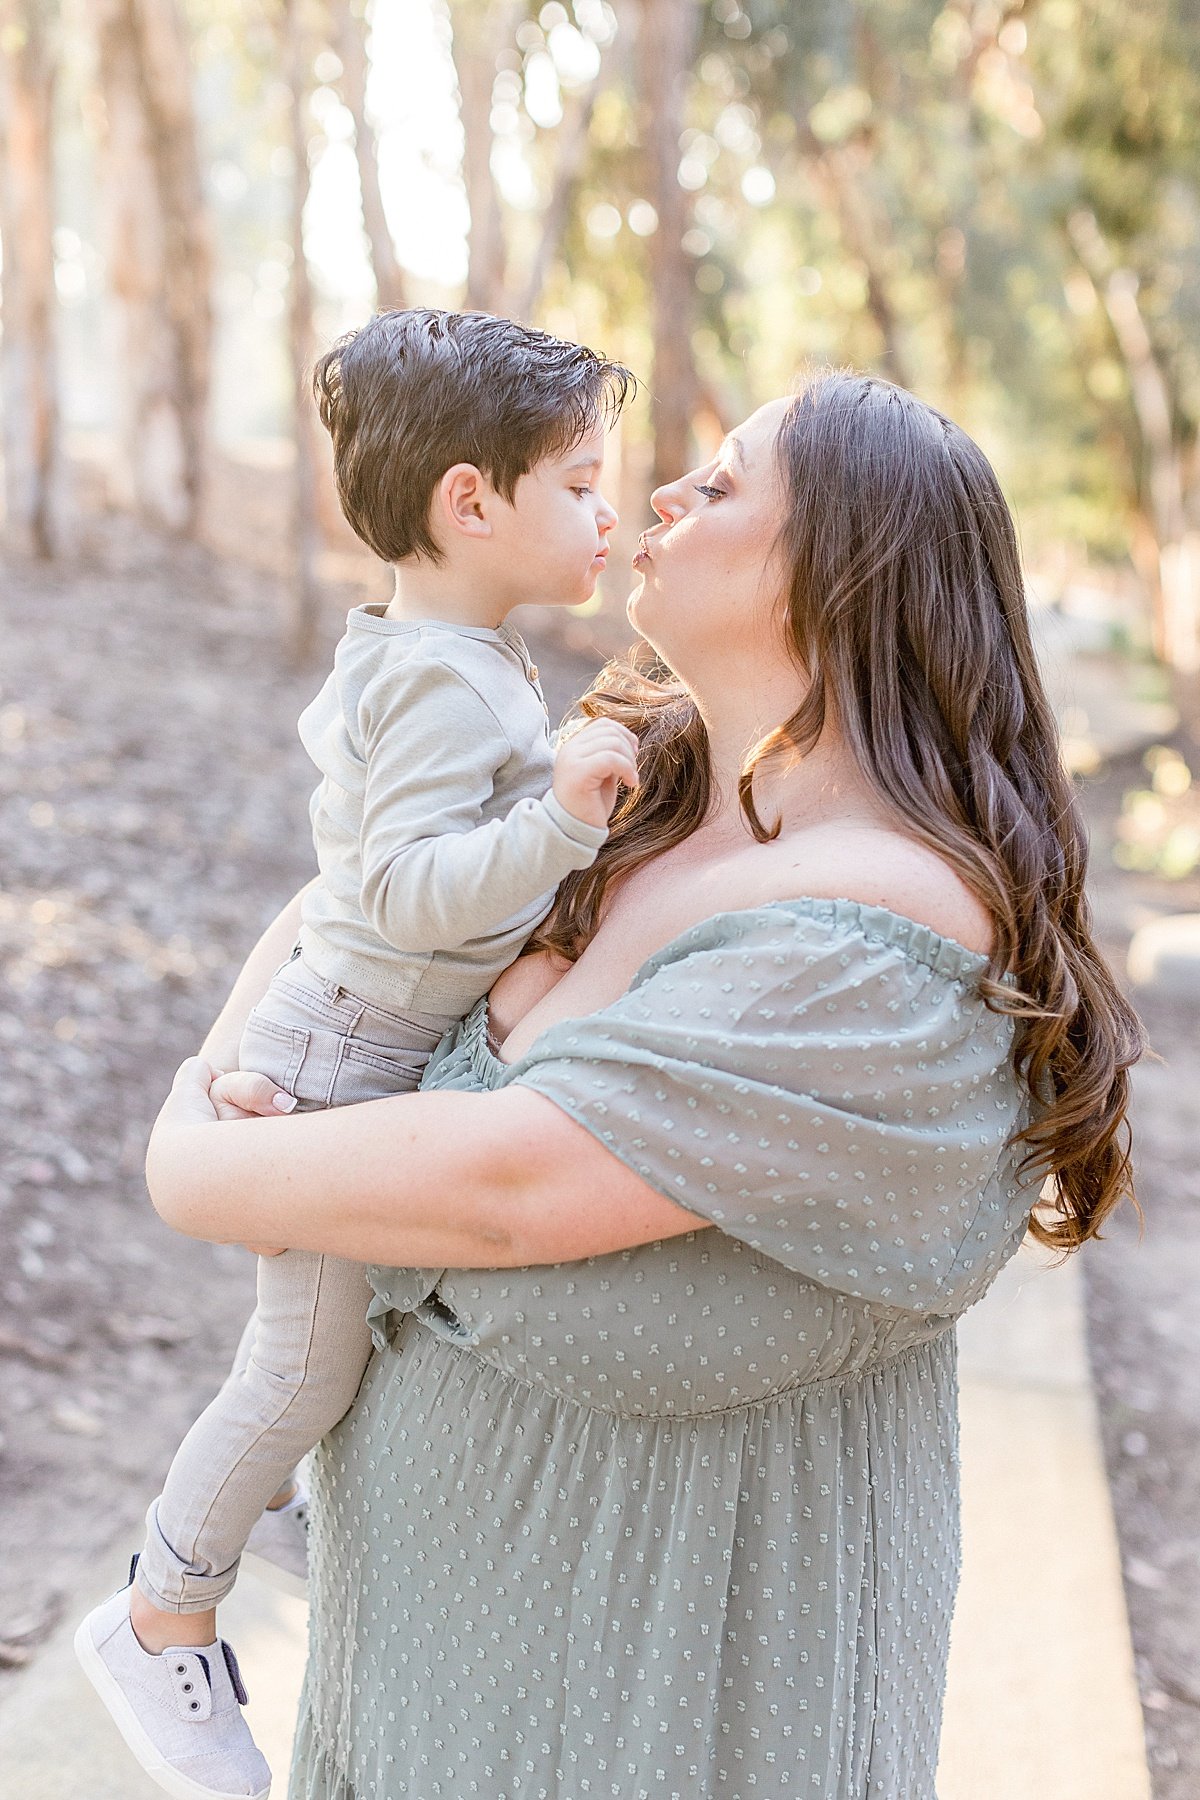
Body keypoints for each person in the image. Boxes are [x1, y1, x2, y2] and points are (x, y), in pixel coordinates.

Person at [142, 371, 1143, 1800]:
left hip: (666, 1727)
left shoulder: (880, 931)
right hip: (417, 1688)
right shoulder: (641, 793)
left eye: (726, 485)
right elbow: (346, 911)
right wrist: (229, 1077)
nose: (665, 494)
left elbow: (512, 1183)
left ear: (849, 569)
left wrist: (193, 1163)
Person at [74, 308, 639, 1800]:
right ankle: (164, 1609)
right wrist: (565, 820)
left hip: (372, 1032)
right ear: (473, 500)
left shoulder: (458, 652)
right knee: (298, 1360)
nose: (611, 514)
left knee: (343, 1338)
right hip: (344, 1048)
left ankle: (301, 1519)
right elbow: (391, 891)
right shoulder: (441, 678)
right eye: (582, 483)